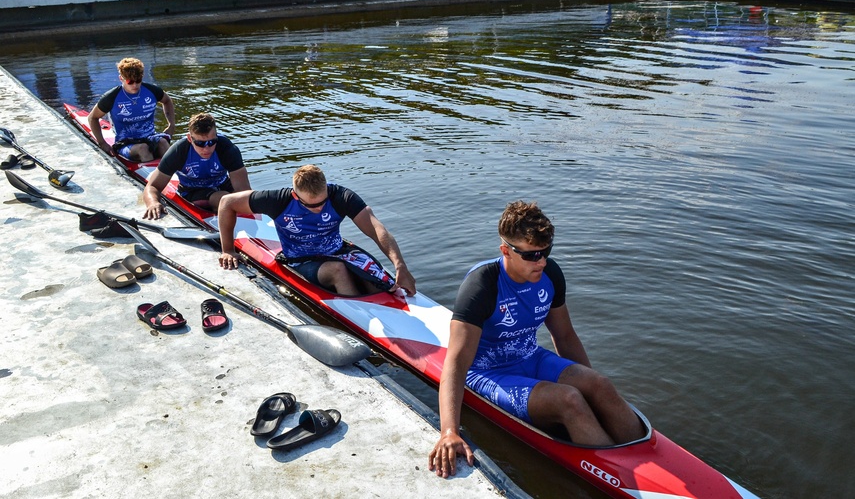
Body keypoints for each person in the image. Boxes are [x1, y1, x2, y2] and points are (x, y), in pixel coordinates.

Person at [428, 201, 645, 478]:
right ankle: (621, 478)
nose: (541, 262)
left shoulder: (550, 275)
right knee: (569, 400)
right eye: (531, 255)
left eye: (546, 252)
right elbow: (456, 364)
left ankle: (646, 458)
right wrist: (449, 431)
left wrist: (593, 392)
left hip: (531, 357)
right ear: (506, 250)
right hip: (488, 372)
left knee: (600, 384)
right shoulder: (482, 285)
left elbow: (564, 336)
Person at [218, 164, 416, 297]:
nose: (319, 208)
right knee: (338, 271)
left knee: (376, 277)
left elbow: (375, 229)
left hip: (337, 251)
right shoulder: (278, 200)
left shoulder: (341, 197)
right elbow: (227, 203)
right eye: (311, 205)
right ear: (296, 196)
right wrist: (228, 249)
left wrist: (400, 266)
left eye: (322, 202)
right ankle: (358, 318)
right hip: (300, 260)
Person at [142, 113, 251, 220]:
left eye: (212, 142)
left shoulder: (227, 148)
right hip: (192, 190)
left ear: (216, 136)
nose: (207, 149)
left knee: (247, 197)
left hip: (223, 184)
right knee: (224, 198)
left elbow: (244, 190)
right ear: (190, 138)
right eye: (200, 143)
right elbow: (153, 186)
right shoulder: (179, 151)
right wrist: (153, 203)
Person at [88, 57, 176, 162]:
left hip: (150, 137)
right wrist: (102, 143)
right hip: (125, 142)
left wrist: (171, 125)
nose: (135, 85)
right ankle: (152, 171)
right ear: (121, 78)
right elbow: (92, 118)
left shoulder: (152, 91)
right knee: (143, 149)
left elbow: (167, 101)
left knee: (163, 143)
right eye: (130, 82)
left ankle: (175, 169)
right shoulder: (112, 97)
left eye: (138, 80)